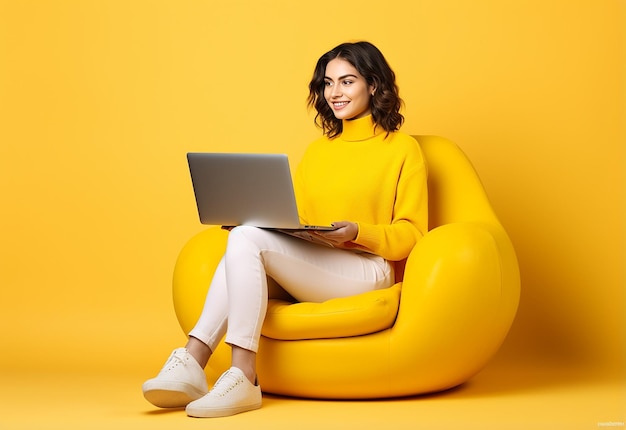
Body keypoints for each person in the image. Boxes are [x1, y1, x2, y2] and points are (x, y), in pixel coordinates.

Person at [142, 41, 428, 418]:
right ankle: (195, 362)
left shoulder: (402, 149)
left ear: (373, 86)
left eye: (347, 81)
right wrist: (262, 224)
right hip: (319, 263)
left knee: (246, 239)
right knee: (244, 236)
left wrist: (359, 232)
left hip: (368, 268)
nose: (335, 93)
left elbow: (412, 233)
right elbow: (300, 220)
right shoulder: (317, 153)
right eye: (328, 84)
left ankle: (239, 373)